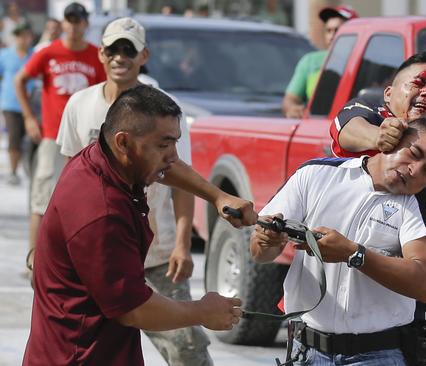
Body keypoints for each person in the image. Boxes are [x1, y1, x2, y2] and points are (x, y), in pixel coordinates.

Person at [23, 85, 257, 365]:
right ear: (123, 143)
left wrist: (217, 196)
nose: (172, 155)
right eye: (163, 144)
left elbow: (166, 167)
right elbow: (133, 310)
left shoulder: (101, 157)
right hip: (78, 357)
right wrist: (201, 312)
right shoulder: (102, 212)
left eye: (175, 142)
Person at [56, 17, 212, 365]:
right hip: (99, 254)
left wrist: (183, 245)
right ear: (101, 53)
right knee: (96, 347)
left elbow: (179, 178)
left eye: (128, 49)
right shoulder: (79, 105)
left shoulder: (163, 109)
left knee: (188, 349)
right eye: (113, 49)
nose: (120, 57)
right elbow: (68, 181)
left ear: (144, 55)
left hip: (155, 256)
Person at [251, 119, 426, 365]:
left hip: (378, 354)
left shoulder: (422, 204)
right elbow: (260, 253)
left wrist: (353, 254)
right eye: (413, 153)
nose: (415, 170)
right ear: (393, 140)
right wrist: (266, 240)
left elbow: (424, 283)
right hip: (306, 349)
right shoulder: (317, 174)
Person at [330, 52, 426, 258]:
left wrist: (412, 224)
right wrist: (379, 137)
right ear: (388, 93)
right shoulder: (369, 114)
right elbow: (346, 129)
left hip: (390, 277)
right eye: (418, 83)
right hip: (331, 257)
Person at [14, 2, 106, 275]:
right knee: (42, 200)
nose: (74, 25)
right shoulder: (49, 52)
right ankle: (34, 264)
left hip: (85, 138)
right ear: (63, 23)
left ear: (85, 24)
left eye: (78, 21)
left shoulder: (95, 55)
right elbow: (20, 80)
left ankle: (78, 263)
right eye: (69, 20)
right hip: (53, 135)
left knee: (85, 201)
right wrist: (30, 118)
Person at [282, 5, 358, 118]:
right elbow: (290, 99)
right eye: (328, 30)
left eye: (338, 30)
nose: (332, 36)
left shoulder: (365, 63)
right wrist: (292, 108)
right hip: (317, 127)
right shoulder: (310, 61)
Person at [0, 22, 32, 185]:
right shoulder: (4, 55)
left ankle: (28, 169)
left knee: (27, 139)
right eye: (19, 35)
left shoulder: (35, 54)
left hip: (31, 105)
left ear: (30, 37)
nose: (22, 39)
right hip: (10, 104)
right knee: (13, 138)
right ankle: (13, 172)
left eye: (25, 35)